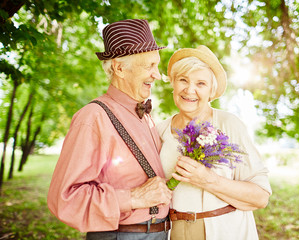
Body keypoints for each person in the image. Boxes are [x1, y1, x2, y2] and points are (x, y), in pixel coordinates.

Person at [47, 19, 172, 240]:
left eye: (157, 65)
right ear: (119, 68)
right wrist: (133, 198)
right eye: (149, 66)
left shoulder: (146, 116)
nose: (157, 75)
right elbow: (64, 199)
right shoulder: (93, 117)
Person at [156, 45, 272, 240]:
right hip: (172, 233)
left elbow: (261, 196)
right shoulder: (159, 131)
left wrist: (208, 180)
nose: (189, 90)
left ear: (211, 91)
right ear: (173, 84)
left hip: (225, 231)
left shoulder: (229, 125)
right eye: (183, 80)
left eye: (200, 83)